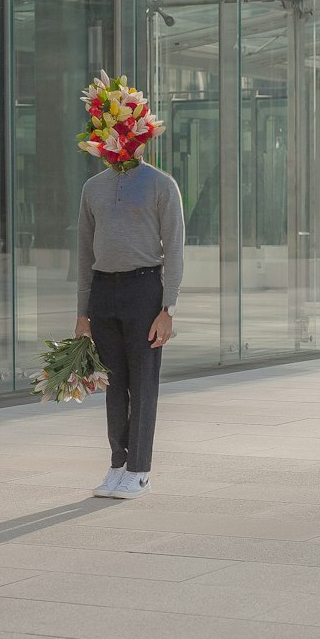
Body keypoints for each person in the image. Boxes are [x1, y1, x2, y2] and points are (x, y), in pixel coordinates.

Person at [74, 72, 184, 499]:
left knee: (144, 383)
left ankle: (139, 470)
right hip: (103, 292)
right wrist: (82, 312)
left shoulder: (161, 185)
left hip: (144, 292)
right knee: (113, 384)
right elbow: (84, 253)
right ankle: (117, 464)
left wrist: (168, 308)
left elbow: (174, 249)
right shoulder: (93, 188)